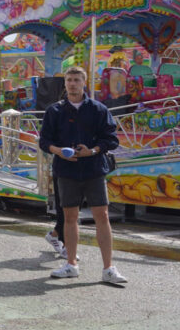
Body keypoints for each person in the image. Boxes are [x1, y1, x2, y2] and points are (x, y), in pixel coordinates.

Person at [39, 66, 125, 283]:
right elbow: (44, 141)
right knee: (70, 217)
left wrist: (93, 150)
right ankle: (71, 264)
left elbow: (112, 139)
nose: (72, 84)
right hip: (66, 170)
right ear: (65, 83)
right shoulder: (54, 111)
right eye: (69, 80)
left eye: (76, 80)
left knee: (102, 216)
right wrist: (58, 151)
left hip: (94, 168)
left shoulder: (98, 109)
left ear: (84, 83)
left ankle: (108, 269)